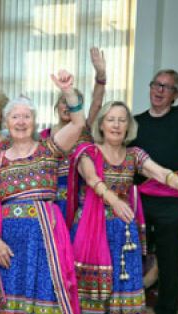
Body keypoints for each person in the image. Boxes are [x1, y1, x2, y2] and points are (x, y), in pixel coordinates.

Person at [0, 71, 85, 314]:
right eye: (15, 116)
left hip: (46, 235)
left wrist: (68, 92)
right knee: (14, 297)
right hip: (11, 237)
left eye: (26, 116)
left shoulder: (49, 149)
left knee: (49, 294)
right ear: (6, 123)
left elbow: (79, 124)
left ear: (34, 120)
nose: (21, 121)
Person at [72, 101, 178, 314]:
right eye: (111, 119)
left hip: (122, 232)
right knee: (90, 291)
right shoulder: (87, 150)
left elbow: (159, 172)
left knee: (119, 291)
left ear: (129, 126)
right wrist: (114, 200)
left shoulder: (135, 154)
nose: (116, 125)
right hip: (92, 231)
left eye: (121, 120)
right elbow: (92, 179)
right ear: (101, 124)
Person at [130, 69, 178, 314]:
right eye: (156, 84)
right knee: (130, 259)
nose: (159, 90)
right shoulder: (135, 123)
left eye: (167, 87)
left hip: (172, 202)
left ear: (175, 95)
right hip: (139, 200)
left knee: (168, 264)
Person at [39, 47, 107, 219]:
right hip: (48, 199)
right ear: (56, 106)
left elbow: (97, 103)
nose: (67, 106)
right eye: (64, 101)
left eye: (72, 103)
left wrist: (101, 75)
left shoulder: (84, 129)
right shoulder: (42, 136)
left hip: (77, 199)